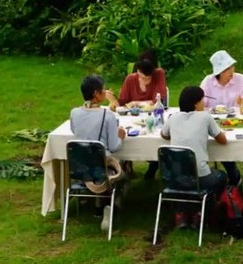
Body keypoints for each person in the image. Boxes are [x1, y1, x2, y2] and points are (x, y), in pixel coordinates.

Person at [160, 85, 228, 230]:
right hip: (200, 176)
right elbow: (222, 140)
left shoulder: (173, 117)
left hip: (175, 176)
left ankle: (183, 213)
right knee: (221, 176)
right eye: (203, 100)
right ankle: (203, 209)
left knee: (185, 180)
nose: (204, 103)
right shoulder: (205, 117)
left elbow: (164, 134)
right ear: (196, 103)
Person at [69, 75, 126, 232]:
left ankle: (98, 205)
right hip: (101, 170)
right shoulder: (107, 115)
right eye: (103, 89)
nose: (105, 91)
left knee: (99, 168)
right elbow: (114, 147)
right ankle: (110, 207)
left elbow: (75, 132)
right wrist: (120, 136)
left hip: (80, 169)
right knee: (122, 175)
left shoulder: (74, 112)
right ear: (96, 93)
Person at [199, 50, 243, 185]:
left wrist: (241, 103)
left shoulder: (240, 79)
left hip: (235, 121)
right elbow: (200, 104)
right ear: (219, 72)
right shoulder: (208, 82)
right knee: (216, 139)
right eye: (228, 69)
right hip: (213, 121)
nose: (232, 71)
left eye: (232, 66)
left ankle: (233, 172)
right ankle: (232, 171)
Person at [117, 50, 168, 180]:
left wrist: (135, 103)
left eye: (148, 78)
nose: (145, 80)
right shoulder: (131, 79)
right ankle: (125, 165)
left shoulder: (159, 74)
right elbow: (122, 102)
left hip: (153, 116)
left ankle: (154, 164)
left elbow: (158, 99)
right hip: (133, 119)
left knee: (159, 135)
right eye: (142, 76)